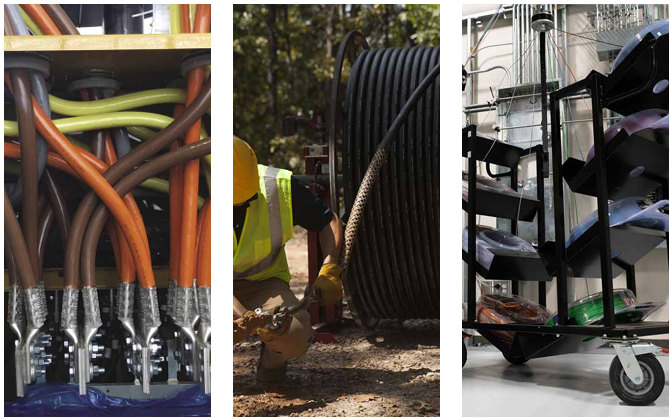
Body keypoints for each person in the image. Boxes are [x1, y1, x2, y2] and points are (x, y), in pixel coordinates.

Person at [233, 136, 343, 383]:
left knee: (294, 332)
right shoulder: (191, 195)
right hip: (205, 288)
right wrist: (247, 318)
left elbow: (328, 221)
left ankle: (271, 367)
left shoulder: (277, 187)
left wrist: (330, 268)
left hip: (261, 283)